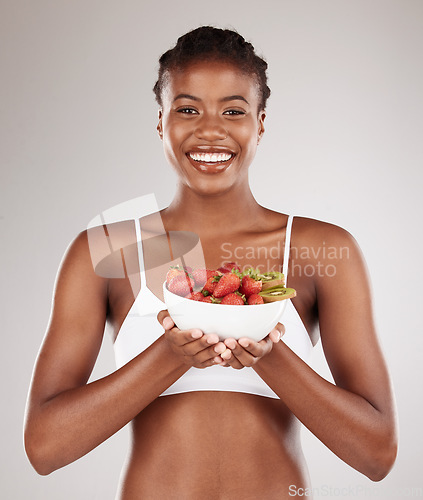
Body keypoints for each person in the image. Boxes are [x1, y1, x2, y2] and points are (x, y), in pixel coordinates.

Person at [24, 26, 398, 499]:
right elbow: (44, 448)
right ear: (161, 121)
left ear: (260, 123)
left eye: (234, 111)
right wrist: (169, 356)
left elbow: (377, 456)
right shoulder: (110, 248)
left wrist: (270, 355)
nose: (210, 130)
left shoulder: (318, 248)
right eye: (187, 109)